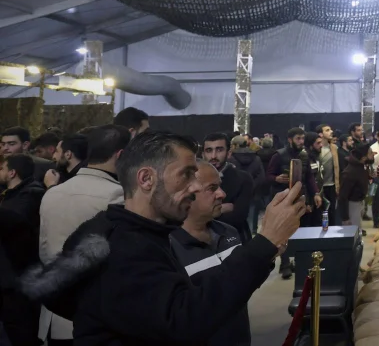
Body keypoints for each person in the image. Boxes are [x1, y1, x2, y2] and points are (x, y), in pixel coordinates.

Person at [26, 131, 305, 346]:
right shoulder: (124, 246)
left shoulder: (124, 231)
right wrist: (264, 242)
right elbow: (184, 319)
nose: (195, 187)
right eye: (186, 175)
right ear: (146, 179)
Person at [37, 124, 130, 346]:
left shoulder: (52, 192)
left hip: (54, 312)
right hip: (93, 318)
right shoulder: (118, 195)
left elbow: (44, 252)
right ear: (121, 155)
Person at [169, 162, 252, 346]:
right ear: (186, 194)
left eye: (220, 186)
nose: (222, 194)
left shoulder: (229, 232)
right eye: (212, 188)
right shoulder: (169, 247)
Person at [0, 155, 45, 345]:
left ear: (12, 172)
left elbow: (16, 224)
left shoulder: (31, 195)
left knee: (22, 331)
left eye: (2, 168)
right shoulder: (10, 195)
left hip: (19, 276)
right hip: (10, 275)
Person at [266, 128, 319, 278]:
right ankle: (285, 264)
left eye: (302, 138)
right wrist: (276, 178)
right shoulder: (278, 155)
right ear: (290, 139)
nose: (301, 141)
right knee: (284, 231)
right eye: (298, 138)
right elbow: (268, 175)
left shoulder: (305, 155)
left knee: (300, 230)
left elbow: (309, 177)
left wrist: (316, 193)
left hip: (300, 198)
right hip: (283, 198)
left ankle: (299, 261)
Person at [203, 133, 252, 239]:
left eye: (219, 150)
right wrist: (220, 209)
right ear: (203, 154)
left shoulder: (243, 178)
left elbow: (238, 218)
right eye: (209, 150)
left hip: (235, 239)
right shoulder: (195, 178)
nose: (213, 156)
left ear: (229, 153)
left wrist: (202, 214)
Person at [228, 136, 265, 236]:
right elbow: (261, 177)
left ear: (235, 145)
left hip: (235, 195)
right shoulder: (256, 158)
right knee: (252, 219)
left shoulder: (230, 159)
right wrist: (251, 186)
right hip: (254, 194)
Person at [339, 143, 371, 230]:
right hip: (353, 205)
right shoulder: (349, 173)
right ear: (363, 157)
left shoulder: (362, 165)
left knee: (358, 229)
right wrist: (345, 217)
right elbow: (342, 196)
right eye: (370, 152)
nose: (372, 154)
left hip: (360, 202)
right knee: (353, 230)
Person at [316, 125, 338, 223]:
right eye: (327, 130)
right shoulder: (316, 149)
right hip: (318, 187)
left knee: (332, 214)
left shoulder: (334, 148)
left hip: (331, 186)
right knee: (319, 215)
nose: (331, 131)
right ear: (321, 134)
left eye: (330, 129)